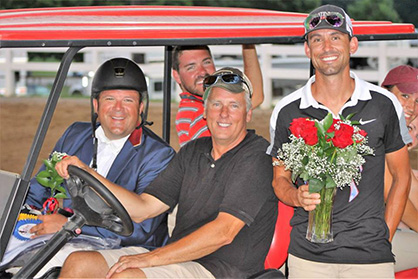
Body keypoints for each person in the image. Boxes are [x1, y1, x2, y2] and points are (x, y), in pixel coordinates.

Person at [56, 67, 277, 279]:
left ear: (248, 114)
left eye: (234, 106)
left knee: (126, 276)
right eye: (216, 104)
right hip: (176, 259)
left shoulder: (257, 156)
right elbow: (144, 208)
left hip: (221, 270)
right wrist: (89, 173)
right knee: (78, 263)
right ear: (205, 110)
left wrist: (151, 258)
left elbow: (223, 232)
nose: (224, 114)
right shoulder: (193, 151)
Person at [267, 4, 411, 278]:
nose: (326, 46)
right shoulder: (287, 110)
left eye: (336, 37)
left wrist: (385, 235)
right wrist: (296, 196)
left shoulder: (383, 104)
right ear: (308, 50)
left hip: (371, 257)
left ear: (352, 44)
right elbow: (279, 179)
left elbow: (401, 176)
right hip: (307, 257)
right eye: (317, 39)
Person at [22, 58, 175, 275]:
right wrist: (22, 215)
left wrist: (69, 227)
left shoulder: (159, 155)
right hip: (64, 236)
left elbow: (141, 230)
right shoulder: (74, 135)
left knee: (41, 264)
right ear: (96, 105)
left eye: (128, 101)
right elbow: (39, 188)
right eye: (110, 99)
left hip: (127, 248)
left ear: (141, 107)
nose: (118, 109)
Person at [173, 44, 264, 146]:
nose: (202, 72)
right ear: (176, 75)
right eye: (191, 67)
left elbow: (255, 96)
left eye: (206, 62)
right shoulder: (197, 114)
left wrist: (248, 43)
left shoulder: (198, 106)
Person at [382, 65, 418, 272]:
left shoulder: (395, 134)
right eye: (404, 95)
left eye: (417, 101)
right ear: (385, 92)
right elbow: (397, 196)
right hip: (358, 239)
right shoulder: (377, 129)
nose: (411, 107)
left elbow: (411, 187)